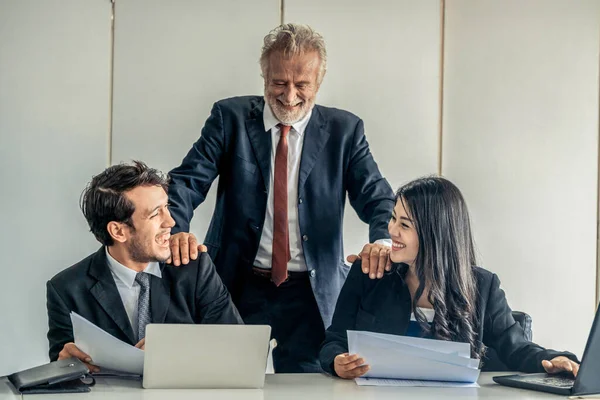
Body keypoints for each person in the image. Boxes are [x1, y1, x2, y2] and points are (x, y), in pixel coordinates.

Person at [166, 23, 395, 373]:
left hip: (311, 293)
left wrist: (382, 241)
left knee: (309, 389)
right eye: (278, 83)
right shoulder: (230, 119)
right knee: (222, 380)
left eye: (301, 85)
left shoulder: (344, 130)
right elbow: (186, 182)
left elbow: (377, 198)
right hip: (238, 285)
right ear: (264, 75)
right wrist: (175, 229)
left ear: (318, 83)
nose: (289, 96)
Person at [320, 176, 580, 379]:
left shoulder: (483, 286)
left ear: (435, 235)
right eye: (392, 218)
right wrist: (337, 363)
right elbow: (334, 341)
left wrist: (556, 359)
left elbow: (517, 349)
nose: (391, 230)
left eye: (404, 224)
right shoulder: (369, 273)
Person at [46, 161, 242, 371]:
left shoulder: (195, 269)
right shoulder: (66, 289)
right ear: (118, 231)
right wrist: (65, 364)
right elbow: (63, 368)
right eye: (155, 214)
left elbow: (239, 349)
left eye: (166, 208)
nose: (171, 222)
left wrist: (178, 349)